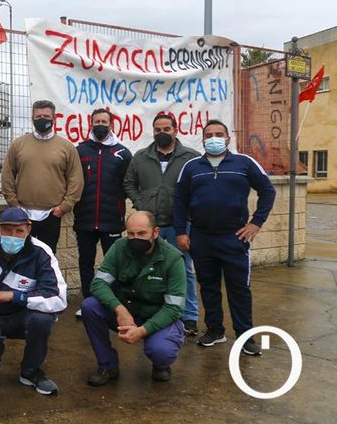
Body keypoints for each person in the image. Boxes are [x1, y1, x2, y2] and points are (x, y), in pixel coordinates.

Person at [173, 119, 276, 354]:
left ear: (228, 138)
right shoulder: (191, 166)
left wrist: (256, 224)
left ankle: (245, 336)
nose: (214, 138)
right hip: (201, 238)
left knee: (239, 288)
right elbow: (179, 200)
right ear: (203, 139)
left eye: (219, 134)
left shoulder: (244, 163)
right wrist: (181, 232)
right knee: (208, 286)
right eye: (209, 134)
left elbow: (268, 191)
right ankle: (215, 330)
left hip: (234, 238)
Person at [0, 207, 68, 396]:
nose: (13, 236)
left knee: (42, 320)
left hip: (25, 314)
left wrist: (14, 296)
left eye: (19, 231)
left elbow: (58, 299)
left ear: (28, 230)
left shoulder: (41, 252)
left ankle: (31, 372)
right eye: (8, 230)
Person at [81, 211, 187, 386]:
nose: (135, 238)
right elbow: (98, 283)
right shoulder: (119, 248)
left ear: (155, 232)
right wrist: (119, 309)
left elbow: (174, 308)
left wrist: (142, 331)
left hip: (158, 316)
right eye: (130, 234)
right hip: (127, 313)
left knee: (161, 351)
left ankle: (161, 365)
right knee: (89, 306)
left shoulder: (173, 259)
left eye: (142, 233)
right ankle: (108, 365)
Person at [123, 113, 201, 336]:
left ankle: (189, 317)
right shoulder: (141, 157)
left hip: (179, 226)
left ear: (176, 130)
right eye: (158, 129)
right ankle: (149, 314)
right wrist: (140, 202)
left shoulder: (190, 157)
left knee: (184, 271)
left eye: (166, 129)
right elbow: (129, 183)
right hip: (149, 225)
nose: (162, 133)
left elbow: (198, 187)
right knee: (146, 270)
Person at [1, 100, 83, 254]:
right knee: (21, 256)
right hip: (23, 214)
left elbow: (76, 179)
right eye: (38, 116)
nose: (42, 119)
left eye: (46, 116)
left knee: (47, 257)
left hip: (52, 214)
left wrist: (63, 207)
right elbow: (7, 175)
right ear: (32, 119)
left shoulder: (66, 147)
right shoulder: (18, 145)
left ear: (54, 119)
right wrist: (14, 204)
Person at [73, 108, 132, 318]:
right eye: (96, 121)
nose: (100, 124)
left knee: (115, 264)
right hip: (85, 219)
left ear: (111, 124)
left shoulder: (123, 152)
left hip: (112, 220)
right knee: (86, 263)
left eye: (104, 121)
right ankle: (88, 303)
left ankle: (116, 305)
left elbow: (129, 183)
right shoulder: (80, 151)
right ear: (91, 123)